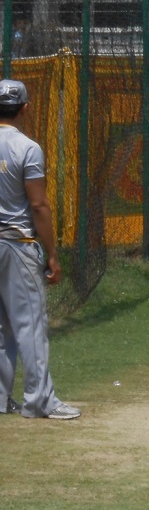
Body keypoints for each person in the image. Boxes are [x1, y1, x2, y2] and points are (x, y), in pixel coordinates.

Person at [0, 79, 81, 419]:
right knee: (29, 325)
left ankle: (1, 399)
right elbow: (39, 206)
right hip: (17, 243)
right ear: (25, 108)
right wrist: (52, 254)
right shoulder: (27, 147)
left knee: (1, 328)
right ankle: (39, 400)